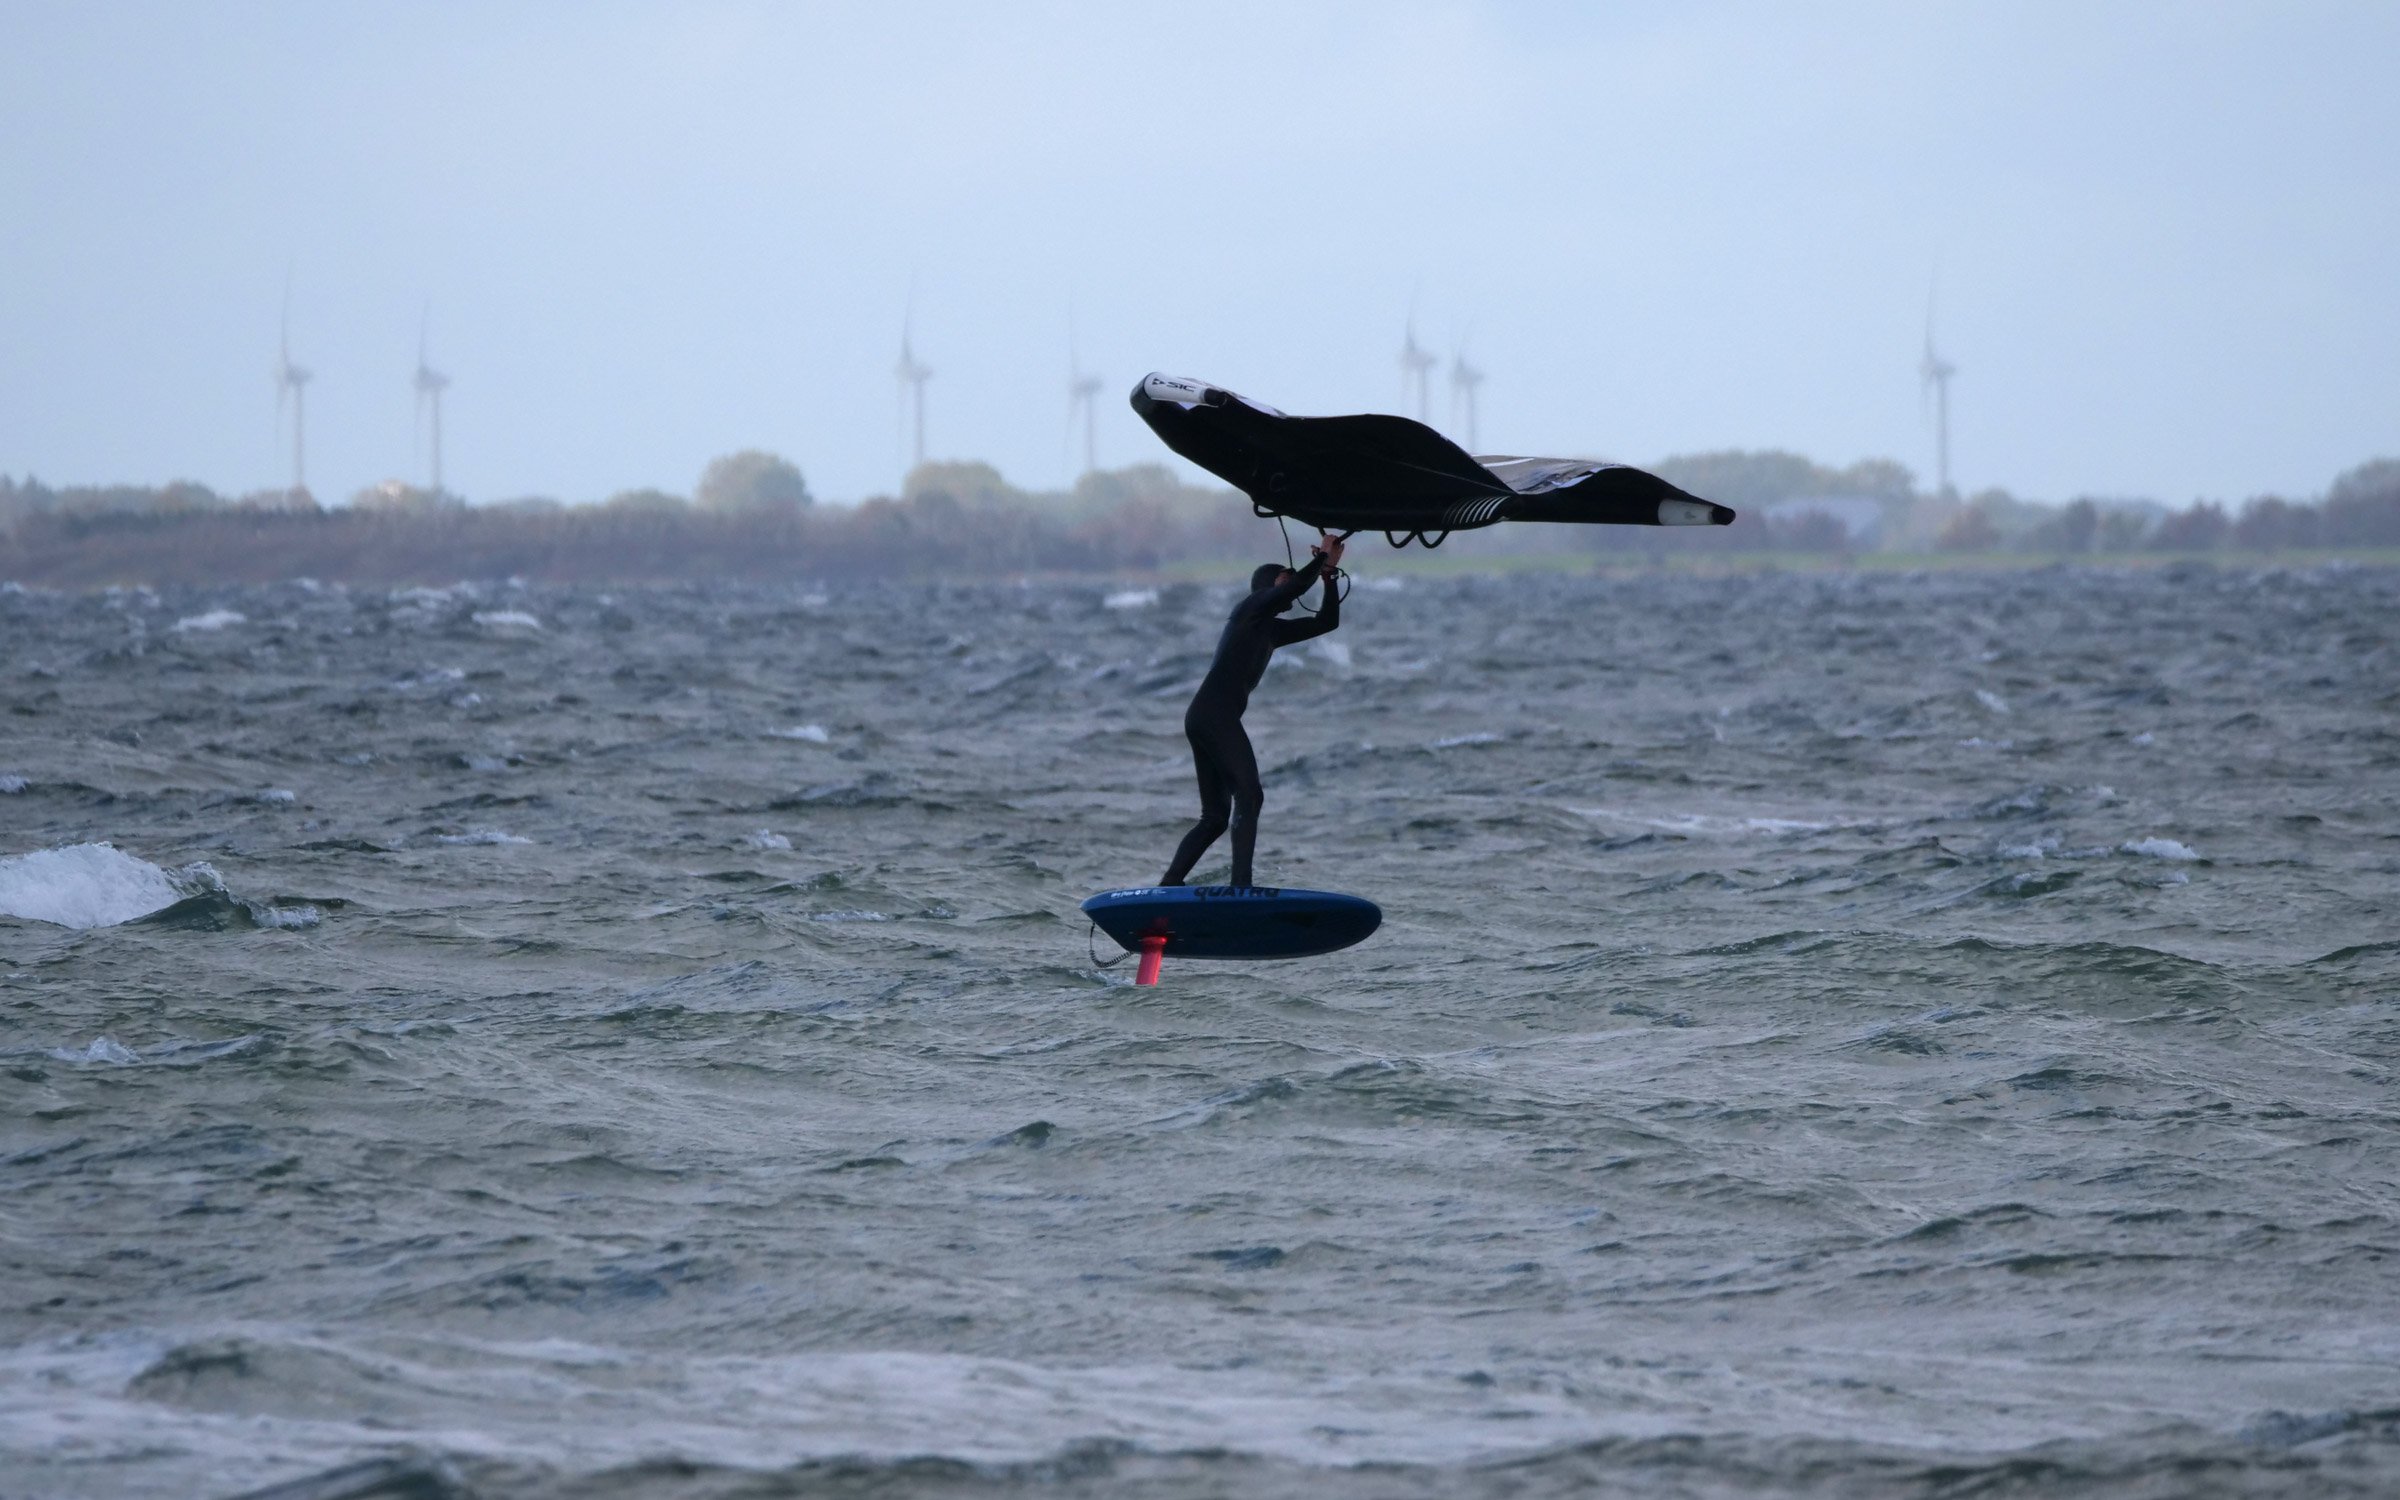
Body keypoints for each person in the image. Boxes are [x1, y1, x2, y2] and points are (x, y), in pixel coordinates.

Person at [1161, 533, 1347, 887]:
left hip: (1205, 716)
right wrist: (1320, 560)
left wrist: (1328, 577)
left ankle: (1170, 883)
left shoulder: (1270, 630)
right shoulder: (1248, 611)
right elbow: (1289, 591)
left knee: (1215, 817)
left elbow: (1327, 622)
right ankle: (1240, 887)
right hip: (1213, 715)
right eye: (1284, 575)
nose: (1291, 580)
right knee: (1250, 794)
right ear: (1265, 587)